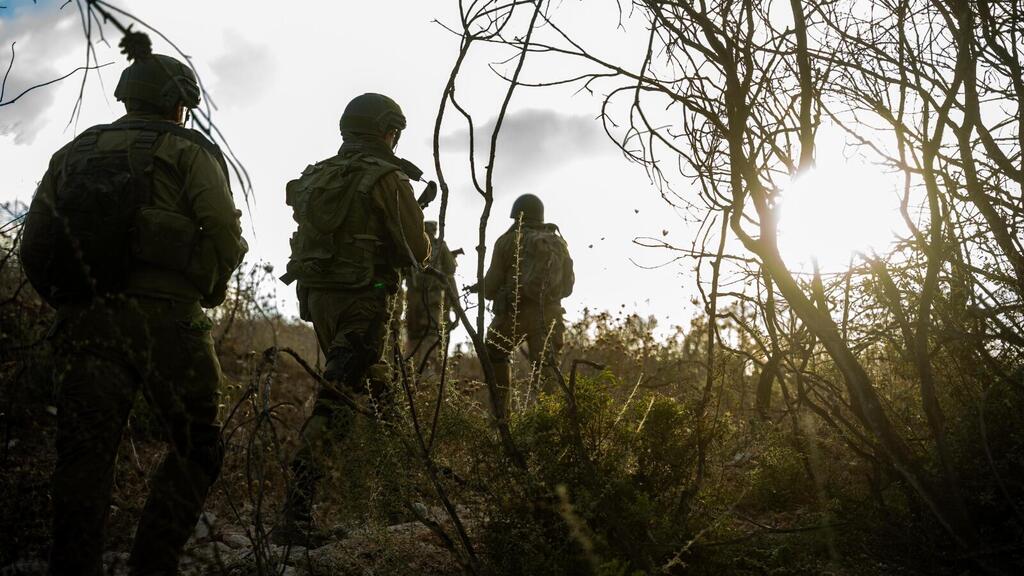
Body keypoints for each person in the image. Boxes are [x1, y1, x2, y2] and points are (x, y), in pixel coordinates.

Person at [19, 32, 247, 576]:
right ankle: (153, 563)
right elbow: (223, 230)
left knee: (84, 457)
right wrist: (209, 287)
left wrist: (70, 303)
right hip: (168, 323)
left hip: (87, 322)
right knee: (197, 446)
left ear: (125, 97)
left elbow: (35, 245)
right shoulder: (189, 150)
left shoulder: (73, 152)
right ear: (180, 105)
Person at [278, 92, 431, 545]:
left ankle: (397, 496)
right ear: (388, 132)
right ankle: (296, 514)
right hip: (365, 300)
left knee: (380, 390)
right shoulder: (386, 177)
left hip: (320, 300)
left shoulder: (316, 175)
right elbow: (417, 250)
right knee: (337, 402)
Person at [481, 193, 574, 419]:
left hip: (515, 314)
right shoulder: (557, 241)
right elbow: (568, 288)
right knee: (547, 371)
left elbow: (490, 288)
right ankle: (549, 426)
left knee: (494, 353)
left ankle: (502, 418)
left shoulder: (506, 241)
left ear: (516, 215)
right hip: (550, 315)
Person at [404, 221, 458, 371]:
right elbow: (451, 269)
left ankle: (409, 377)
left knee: (413, 337)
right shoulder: (439, 245)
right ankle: (428, 380)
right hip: (433, 299)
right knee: (431, 335)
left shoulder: (412, 244)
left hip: (413, 300)